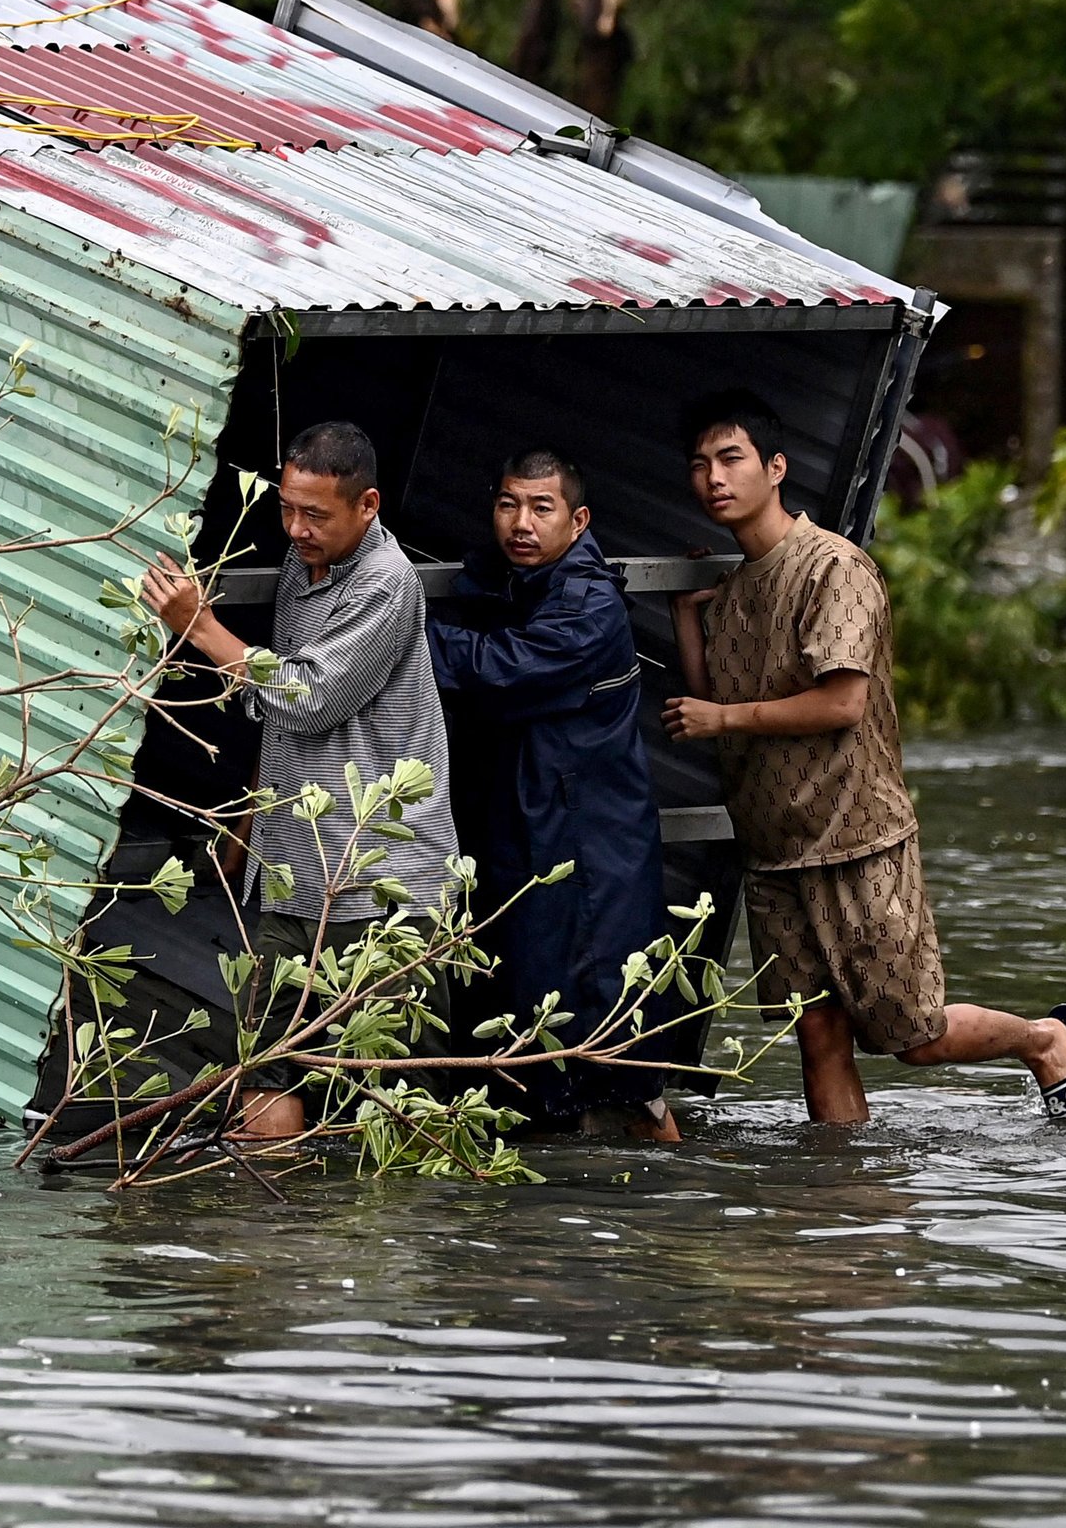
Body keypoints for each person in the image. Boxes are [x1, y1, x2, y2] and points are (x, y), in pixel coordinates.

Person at [660, 390, 1066, 1126]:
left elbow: (841, 703)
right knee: (818, 1038)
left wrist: (721, 715)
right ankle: (843, 1203)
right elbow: (713, 717)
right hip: (773, 850)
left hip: (854, 836)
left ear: (775, 468)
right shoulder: (734, 588)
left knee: (913, 1039)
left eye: (730, 458)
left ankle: (1045, 1039)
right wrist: (687, 621)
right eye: (700, 464)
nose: (713, 476)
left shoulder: (834, 568)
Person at [141, 420, 457, 1136]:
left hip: (382, 887)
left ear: (367, 505)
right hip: (295, 875)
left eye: (314, 514)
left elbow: (307, 698)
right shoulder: (301, 564)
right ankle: (275, 1243)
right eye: (285, 508)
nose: (295, 528)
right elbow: (280, 715)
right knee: (262, 1066)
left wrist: (200, 626)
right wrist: (253, 818)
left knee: (395, 1101)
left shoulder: (385, 582)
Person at [429, 448, 681, 1142]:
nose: (521, 523)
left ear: (578, 520)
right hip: (536, 823)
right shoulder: (512, 582)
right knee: (533, 995)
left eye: (541, 508)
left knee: (603, 1015)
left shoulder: (585, 602)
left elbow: (500, 669)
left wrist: (396, 630)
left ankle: (647, 1166)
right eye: (508, 504)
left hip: (587, 835)